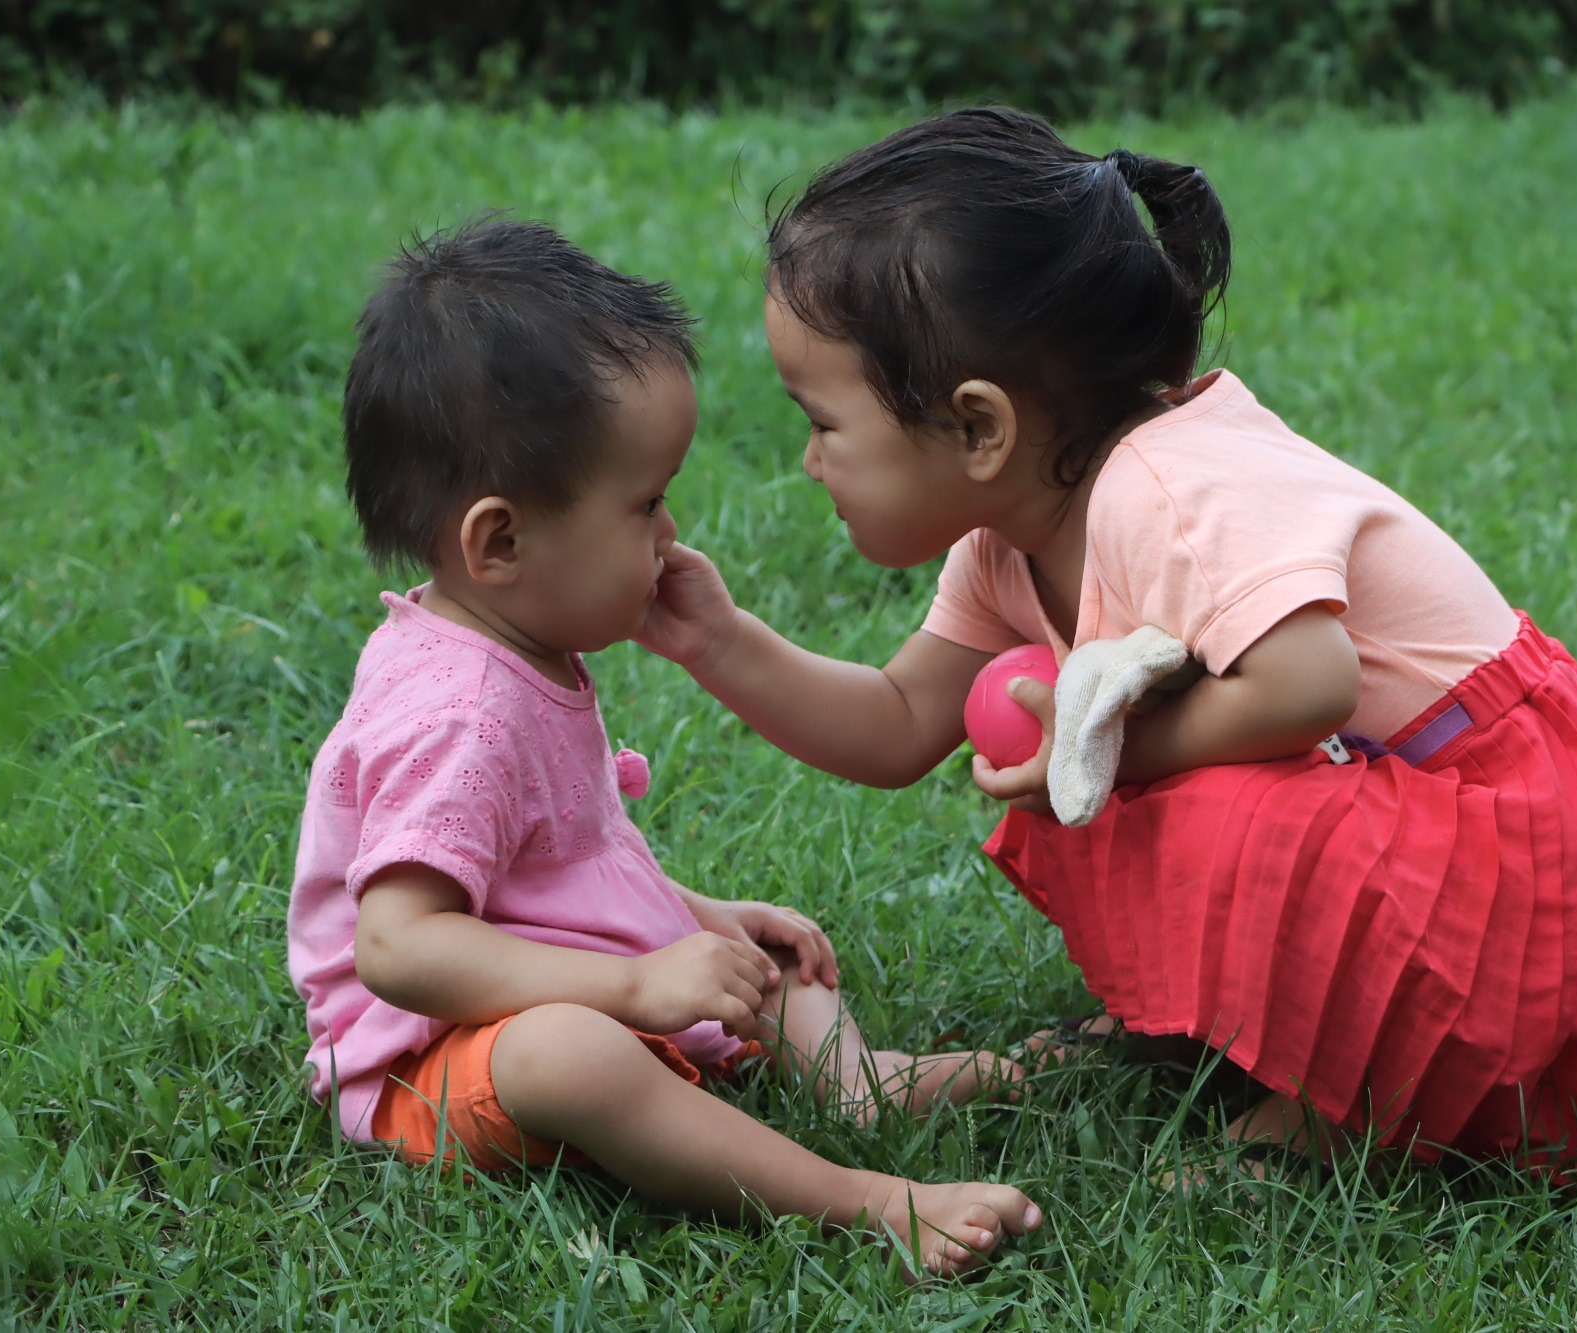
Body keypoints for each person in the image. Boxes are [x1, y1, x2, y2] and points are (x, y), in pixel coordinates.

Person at [640, 107, 1577, 1189]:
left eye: (822, 422)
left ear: (980, 427)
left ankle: (1333, 1112)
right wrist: (718, 640)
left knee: (1145, 773)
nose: (806, 460)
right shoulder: (1005, 538)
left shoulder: (1165, 490)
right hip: (1385, 804)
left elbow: (1309, 684)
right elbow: (894, 723)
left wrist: (1113, 752)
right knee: (1102, 760)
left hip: (1483, 815)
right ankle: (1200, 1027)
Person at [286, 216, 1038, 1276]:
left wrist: (695, 918)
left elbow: (554, 869)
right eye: (643, 503)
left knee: (760, 959)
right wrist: (637, 988)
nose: (669, 533)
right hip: (435, 1062)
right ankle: (864, 1200)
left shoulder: (520, 652)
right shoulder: (456, 707)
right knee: (576, 1054)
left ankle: (855, 1081)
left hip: (533, 985)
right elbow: (400, 949)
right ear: (499, 542)